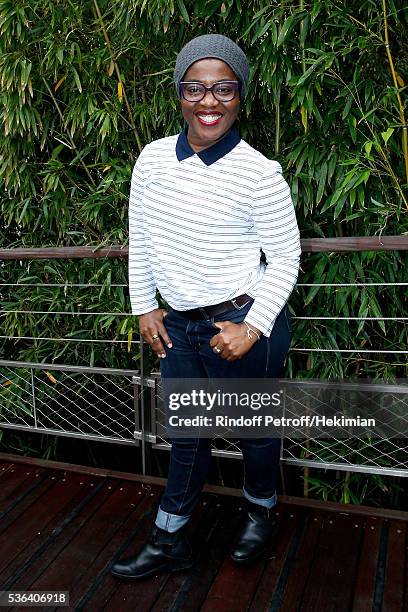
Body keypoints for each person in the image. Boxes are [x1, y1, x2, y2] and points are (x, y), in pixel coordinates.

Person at [111, 34, 301, 580]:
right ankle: (170, 537)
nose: (209, 101)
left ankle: (261, 513)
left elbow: (286, 259)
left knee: (255, 430)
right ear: (179, 93)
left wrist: (253, 326)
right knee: (186, 435)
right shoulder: (150, 161)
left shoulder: (259, 172)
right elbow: (140, 238)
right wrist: (144, 306)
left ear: (240, 95)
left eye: (223, 88)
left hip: (242, 322)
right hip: (179, 327)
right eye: (195, 88)